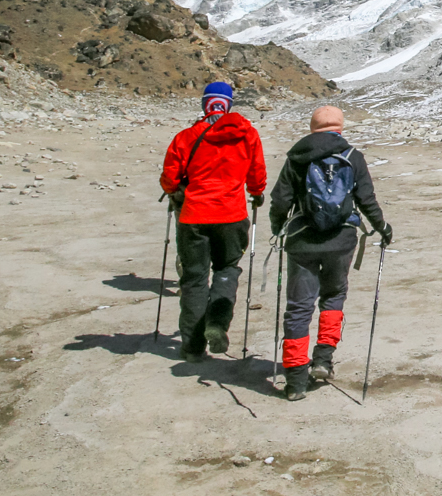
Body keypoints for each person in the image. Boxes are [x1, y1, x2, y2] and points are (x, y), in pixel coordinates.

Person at [270, 104, 392, 400]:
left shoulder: (296, 157)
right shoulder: (353, 157)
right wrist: (383, 227)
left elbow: (280, 199)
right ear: (340, 127)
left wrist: (277, 228)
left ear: (312, 127)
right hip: (341, 240)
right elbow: (366, 199)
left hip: (302, 242)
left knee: (299, 307)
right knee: (333, 297)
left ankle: (296, 379)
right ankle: (323, 358)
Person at [159, 81, 266, 361]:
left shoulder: (186, 136)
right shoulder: (247, 134)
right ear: (228, 105)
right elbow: (256, 174)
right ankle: (217, 323)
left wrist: (174, 192)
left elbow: (170, 177)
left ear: (205, 104)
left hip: (194, 215)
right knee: (227, 270)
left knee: (194, 280)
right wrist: (256, 193)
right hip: (231, 215)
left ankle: (192, 347)